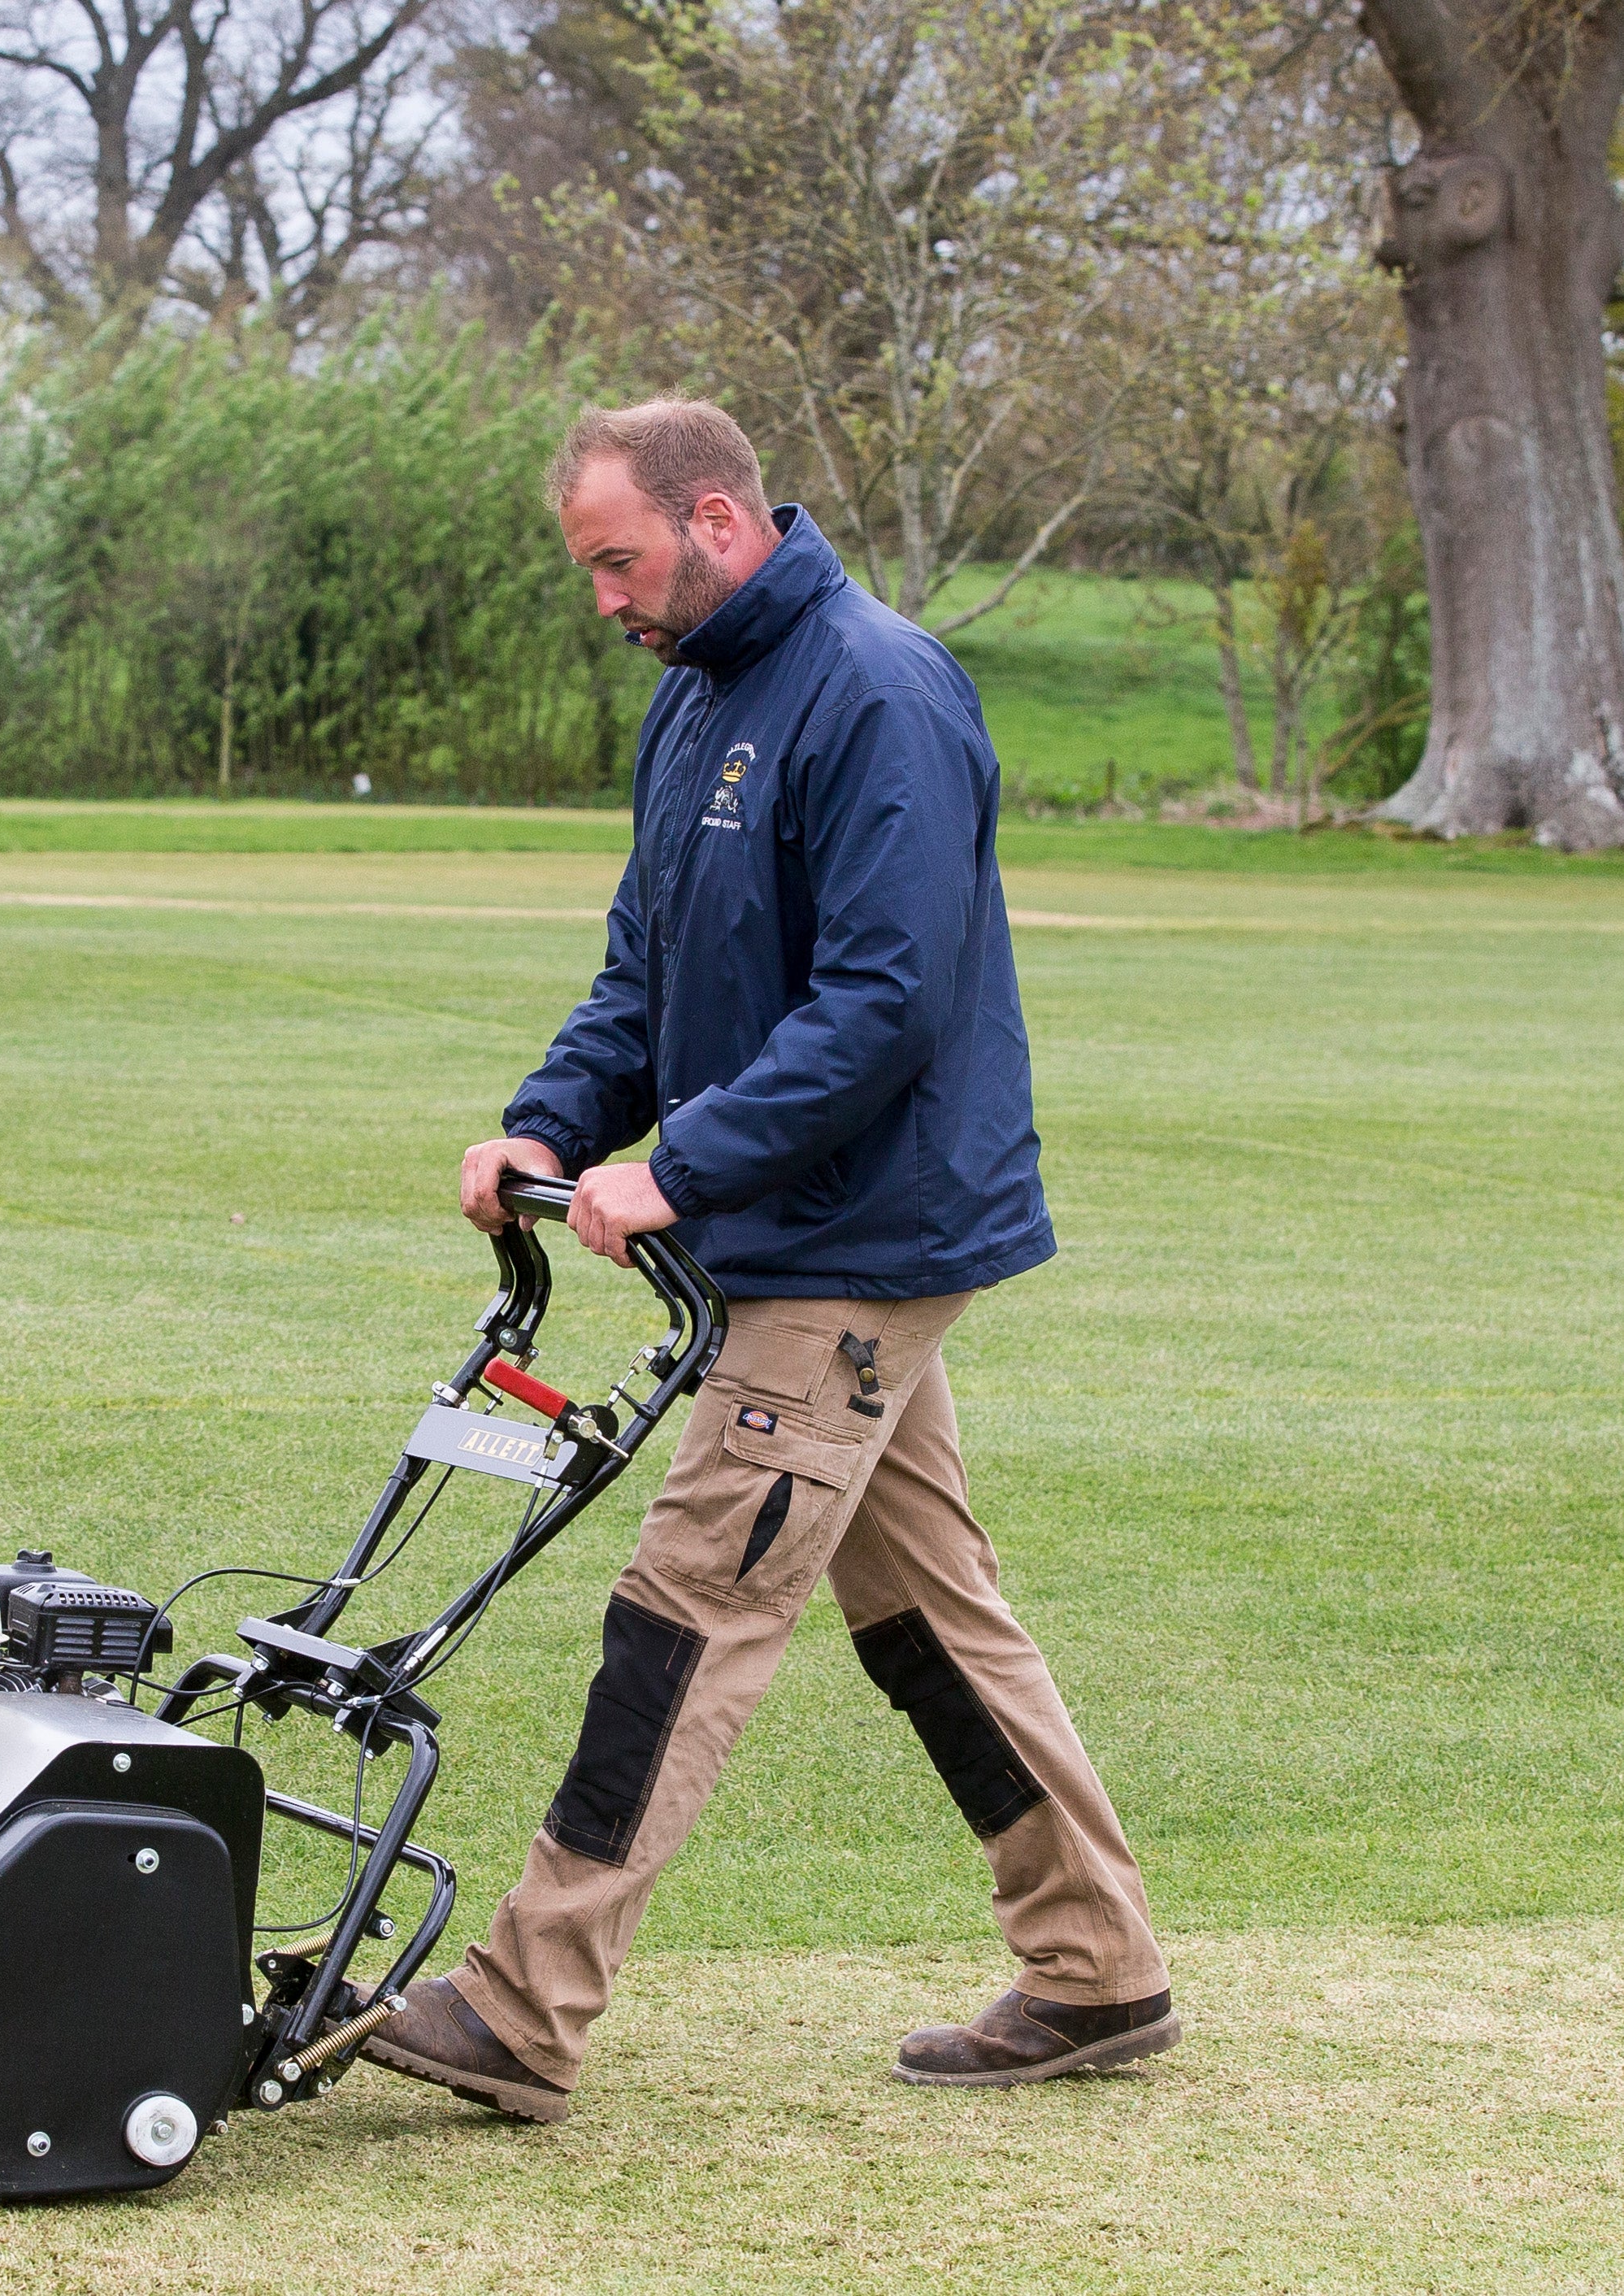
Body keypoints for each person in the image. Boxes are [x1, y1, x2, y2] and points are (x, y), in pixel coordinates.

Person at [361, 400, 1175, 2126]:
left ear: (715, 518)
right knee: (931, 1612)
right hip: (791, 1227)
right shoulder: (699, 699)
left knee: (689, 1611)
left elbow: (889, 1003)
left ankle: (524, 2000)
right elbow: (643, 975)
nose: (605, 600)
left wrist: (681, 1167)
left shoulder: (880, 691)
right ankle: (1098, 1964)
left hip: (859, 1238)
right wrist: (548, 1124)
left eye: (617, 562)